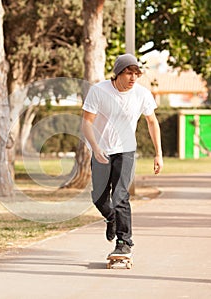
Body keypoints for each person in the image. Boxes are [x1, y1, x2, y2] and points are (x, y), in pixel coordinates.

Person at [81, 53, 163, 256]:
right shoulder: (99, 91)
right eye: (128, 73)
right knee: (99, 197)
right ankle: (111, 218)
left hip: (125, 150)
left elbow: (152, 122)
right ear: (118, 73)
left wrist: (158, 154)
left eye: (137, 73)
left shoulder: (142, 94)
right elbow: (86, 123)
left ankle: (124, 242)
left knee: (120, 195)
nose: (133, 78)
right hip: (101, 150)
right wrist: (95, 147)